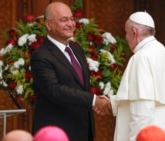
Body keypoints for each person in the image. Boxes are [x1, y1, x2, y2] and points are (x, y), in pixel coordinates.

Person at [30, 2, 111, 141]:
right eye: (64, 20)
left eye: (72, 19)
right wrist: (93, 100)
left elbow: (80, 86)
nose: (70, 24)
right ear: (48, 24)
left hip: (83, 131)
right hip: (57, 133)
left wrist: (96, 101)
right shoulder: (41, 55)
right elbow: (54, 90)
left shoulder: (76, 49)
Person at [107, 11, 165, 141]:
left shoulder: (141, 57)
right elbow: (147, 96)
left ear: (134, 32)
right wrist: (113, 103)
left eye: (126, 32)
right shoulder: (162, 50)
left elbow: (142, 111)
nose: (126, 37)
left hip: (151, 133)